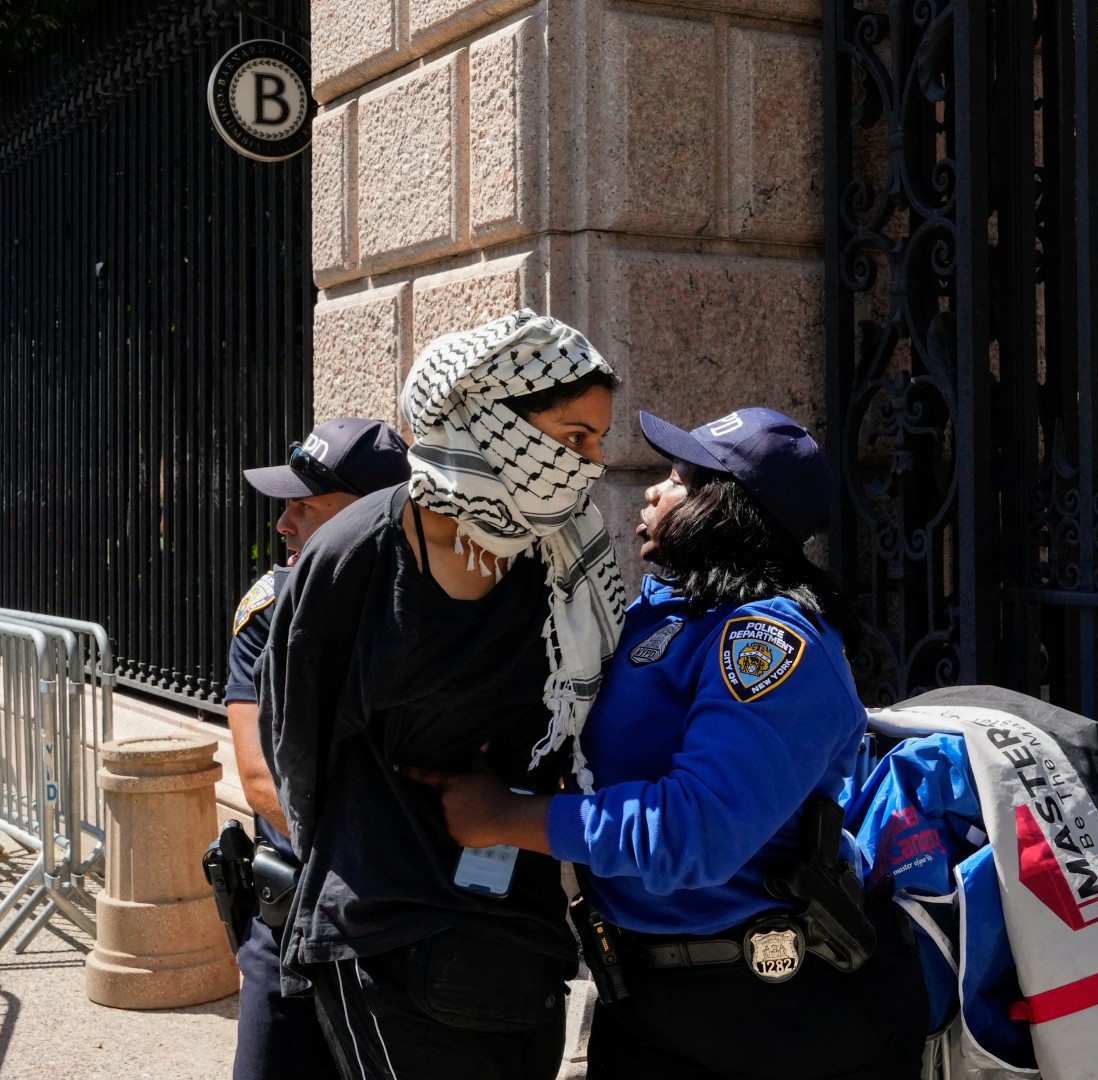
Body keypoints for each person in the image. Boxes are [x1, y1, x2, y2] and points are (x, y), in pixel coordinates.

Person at [413, 407, 928, 1080]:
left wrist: (507, 820)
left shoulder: (768, 641)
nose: (654, 489)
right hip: (648, 997)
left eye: (680, 478)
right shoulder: (669, 612)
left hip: (774, 1017)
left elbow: (696, 833)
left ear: (728, 509)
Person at [259, 310, 627, 1080]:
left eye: (598, 440)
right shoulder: (355, 554)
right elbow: (295, 737)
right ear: (495, 420)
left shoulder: (563, 560)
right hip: (383, 928)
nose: (591, 466)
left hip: (517, 932)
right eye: (573, 438)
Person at [226, 417, 411, 1080]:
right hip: (294, 922)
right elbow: (257, 779)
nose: (284, 524)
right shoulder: (270, 610)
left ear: (368, 517)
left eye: (306, 506)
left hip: (407, 928)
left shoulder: (428, 612)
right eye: (287, 505)